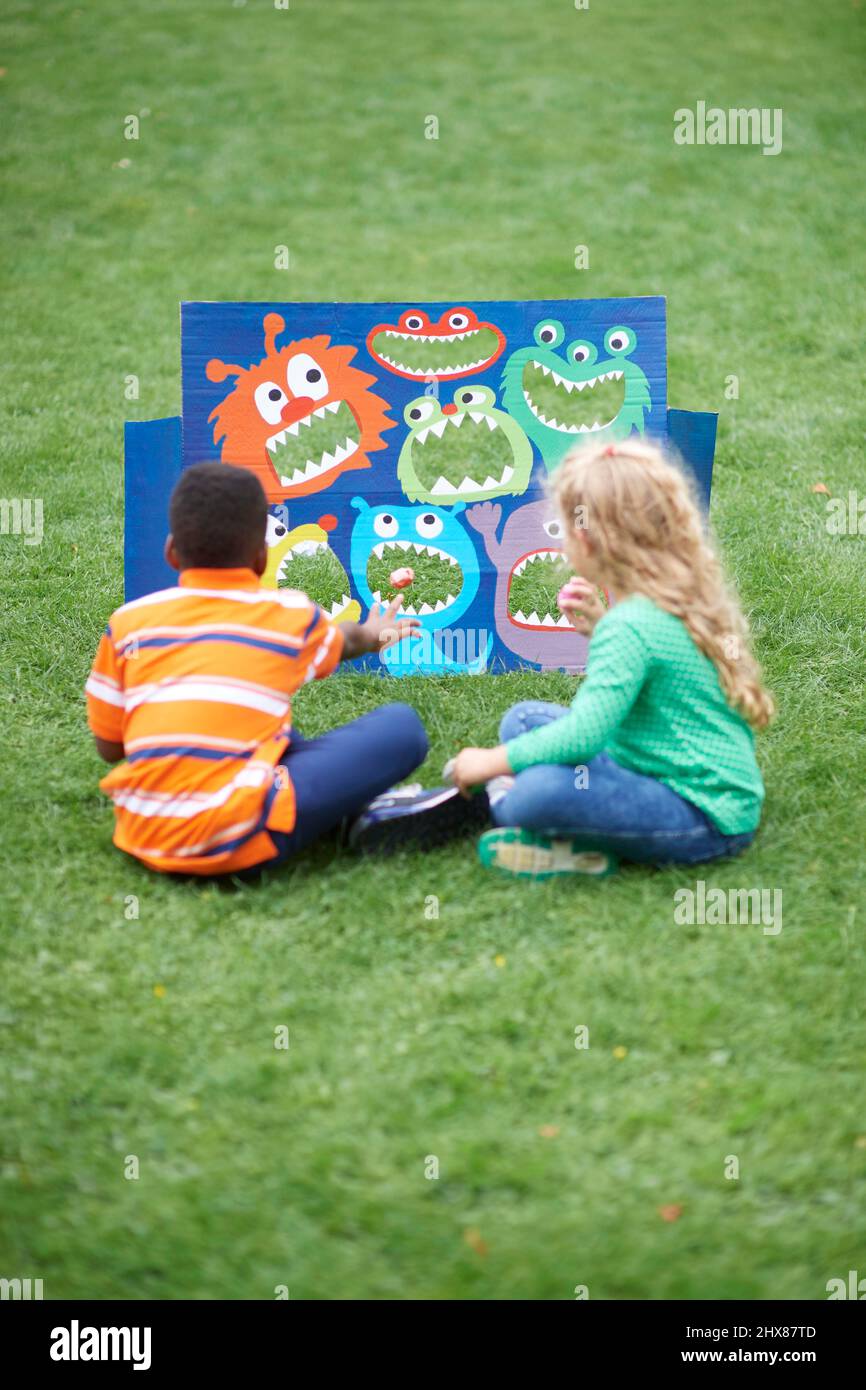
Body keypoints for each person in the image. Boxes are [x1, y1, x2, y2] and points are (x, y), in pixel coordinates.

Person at [386, 438, 774, 878]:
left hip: (702, 816)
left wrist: (492, 761)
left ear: (587, 539)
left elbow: (584, 737)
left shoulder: (630, 627)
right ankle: (525, 799)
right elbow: (644, 673)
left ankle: (520, 812)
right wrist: (600, 626)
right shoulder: (667, 599)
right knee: (524, 719)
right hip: (661, 765)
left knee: (539, 792)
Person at [84, 462, 440, 875]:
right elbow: (347, 641)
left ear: (171, 552)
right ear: (261, 557)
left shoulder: (128, 622)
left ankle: (343, 809)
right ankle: (358, 815)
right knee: (401, 728)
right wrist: (375, 631)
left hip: (144, 830)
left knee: (277, 735)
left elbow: (110, 748)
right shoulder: (287, 614)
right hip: (239, 832)